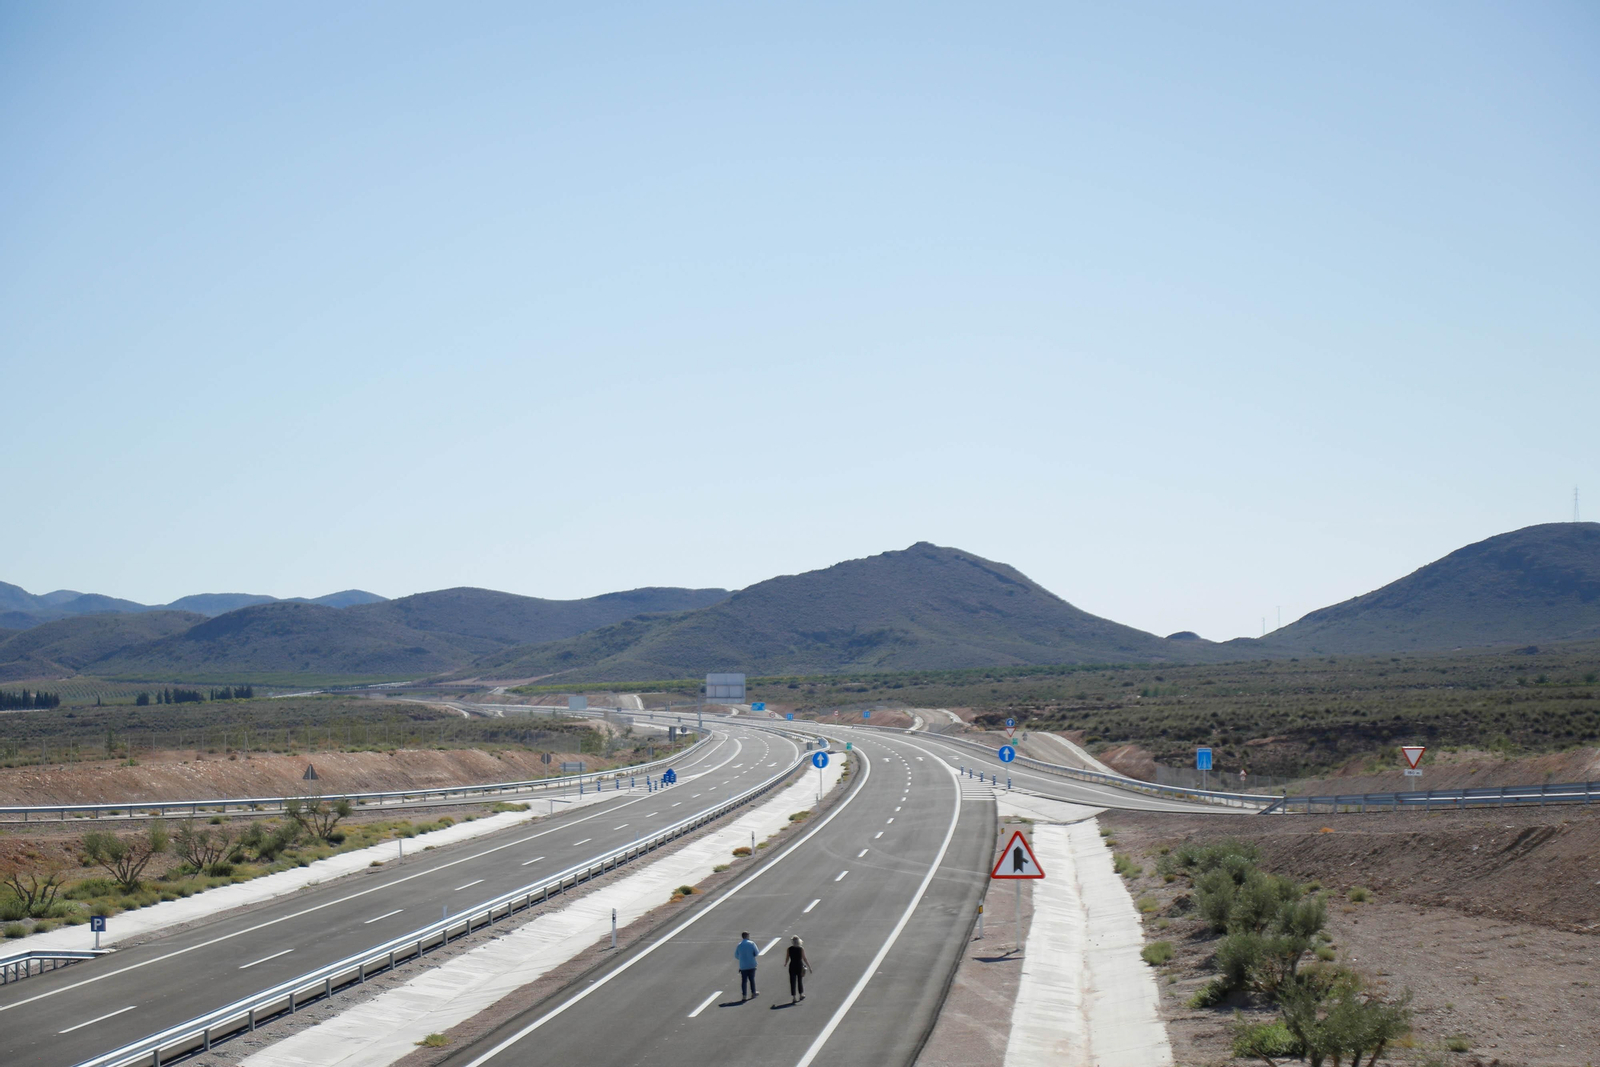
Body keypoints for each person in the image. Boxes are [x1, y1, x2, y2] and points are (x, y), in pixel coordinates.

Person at [785, 936, 811, 1003]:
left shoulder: (789, 949)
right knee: (800, 980)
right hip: (799, 965)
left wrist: (785, 963)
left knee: (792, 981)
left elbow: (787, 957)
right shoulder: (801, 949)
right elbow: (804, 958)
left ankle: (794, 997)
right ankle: (801, 994)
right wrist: (809, 966)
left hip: (792, 966)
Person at [735, 932, 759, 1000]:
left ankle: (744, 995)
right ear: (747, 936)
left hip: (743, 965)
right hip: (751, 964)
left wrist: (742, 958)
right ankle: (753, 992)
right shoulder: (751, 943)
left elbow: (736, 955)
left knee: (744, 981)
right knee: (752, 979)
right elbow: (756, 952)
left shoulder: (739, 945)